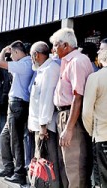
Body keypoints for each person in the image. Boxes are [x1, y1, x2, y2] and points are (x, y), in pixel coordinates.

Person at [50, 27, 93, 188]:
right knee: (67, 164)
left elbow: (78, 96)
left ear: (66, 45)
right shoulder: (67, 61)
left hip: (71, 116)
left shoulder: (77, 61)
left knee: (75, 166)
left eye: (55, 45)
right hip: (65, 115)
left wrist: (68, 128)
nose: (53, 49)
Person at [0, 40, 33, 185]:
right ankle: (9, 167)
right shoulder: (23, 63)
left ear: (16, 52)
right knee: (5, 137)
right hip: (16, 104)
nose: (11, 57)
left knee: (16, 141)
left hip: (18, 104)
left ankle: (19, 173)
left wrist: (4, 51)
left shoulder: (24, 63)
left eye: (12, 54)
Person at [27, 41, 63, 187]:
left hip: (46, 128)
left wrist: (43, 126)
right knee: (41, 163)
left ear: (36, 55)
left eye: (31, 56)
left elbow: (47, 99)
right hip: (40, 126)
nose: (31, 59)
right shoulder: (43, 69)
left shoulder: (50, 69)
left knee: (48, 165)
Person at [82, 49, 107, 187]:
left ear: (100, 60)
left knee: (102, 180)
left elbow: (86, 112)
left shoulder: (95, 77)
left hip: (102, 134)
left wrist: (92, 132)